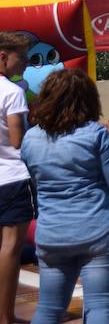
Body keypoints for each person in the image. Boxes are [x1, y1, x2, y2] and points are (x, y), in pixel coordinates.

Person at [21, 68, 109, 324]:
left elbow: (38, 180)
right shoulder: (95, 135)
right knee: (99, 307)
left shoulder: (31, 139)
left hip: (52, 234)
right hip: (98, 230)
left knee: (49, 309)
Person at [0, 32, 32, 324]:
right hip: (11, 177)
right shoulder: (12, 92)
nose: (25, 63)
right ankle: (6, 316)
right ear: (3, 57)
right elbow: (17, 141)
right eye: (21, 57)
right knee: (10, 248)